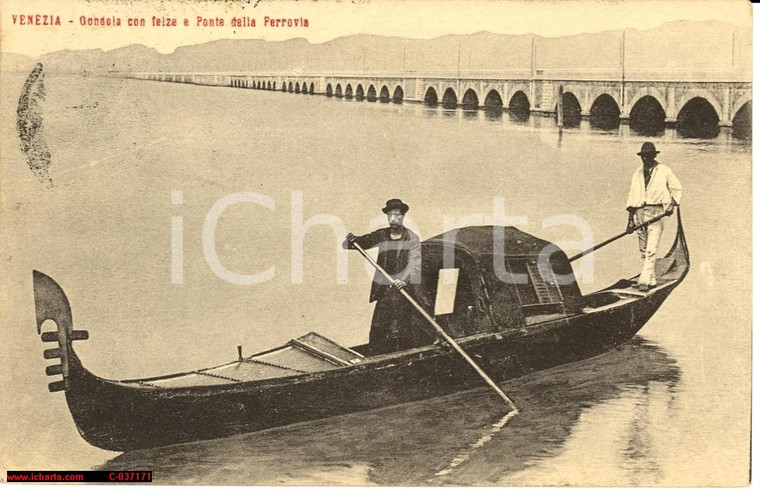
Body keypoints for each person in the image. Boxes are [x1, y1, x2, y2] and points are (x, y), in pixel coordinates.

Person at [343, 198, 433, 355]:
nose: (394, 219)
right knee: (378, 328)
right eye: (390, 216)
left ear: (403, 217)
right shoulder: (382, 235)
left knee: (403, 330)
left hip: (405, 291)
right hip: (385, 290)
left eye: (397, 216)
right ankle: (374, 362)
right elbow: (355, 244)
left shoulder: (412, 238)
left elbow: (414, 264)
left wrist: (402, 280)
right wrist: (352, 239)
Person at [625, 142, 683, 292]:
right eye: (643, 156)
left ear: (654, 156)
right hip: (639, 214)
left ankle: (643, 281)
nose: (646, 159)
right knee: (643, 250)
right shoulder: (637, 173)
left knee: (651, 250)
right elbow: (632, 197)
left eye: (648, 156)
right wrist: (630, 221)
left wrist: (671, 205)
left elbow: (676, 188)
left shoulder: (664, 171)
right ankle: (651, 280)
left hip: (656, 213)